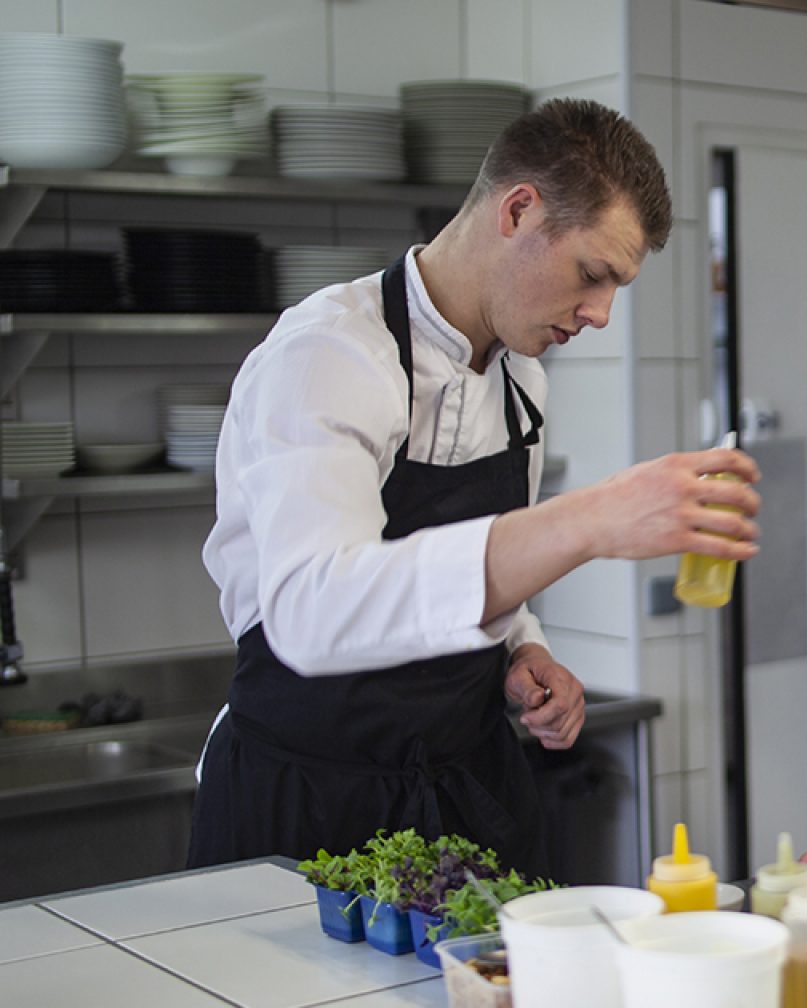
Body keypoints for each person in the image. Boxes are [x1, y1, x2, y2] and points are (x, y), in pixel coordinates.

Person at [190, 99, 760, 874]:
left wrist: (523, 650)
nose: (599, 314)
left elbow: (476, 574)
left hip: (466, 790)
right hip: (309, 796)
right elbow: (312, 610)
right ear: (518, 210)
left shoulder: (521, 377)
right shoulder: (332, 353)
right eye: (592, 275)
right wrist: (591, 519)